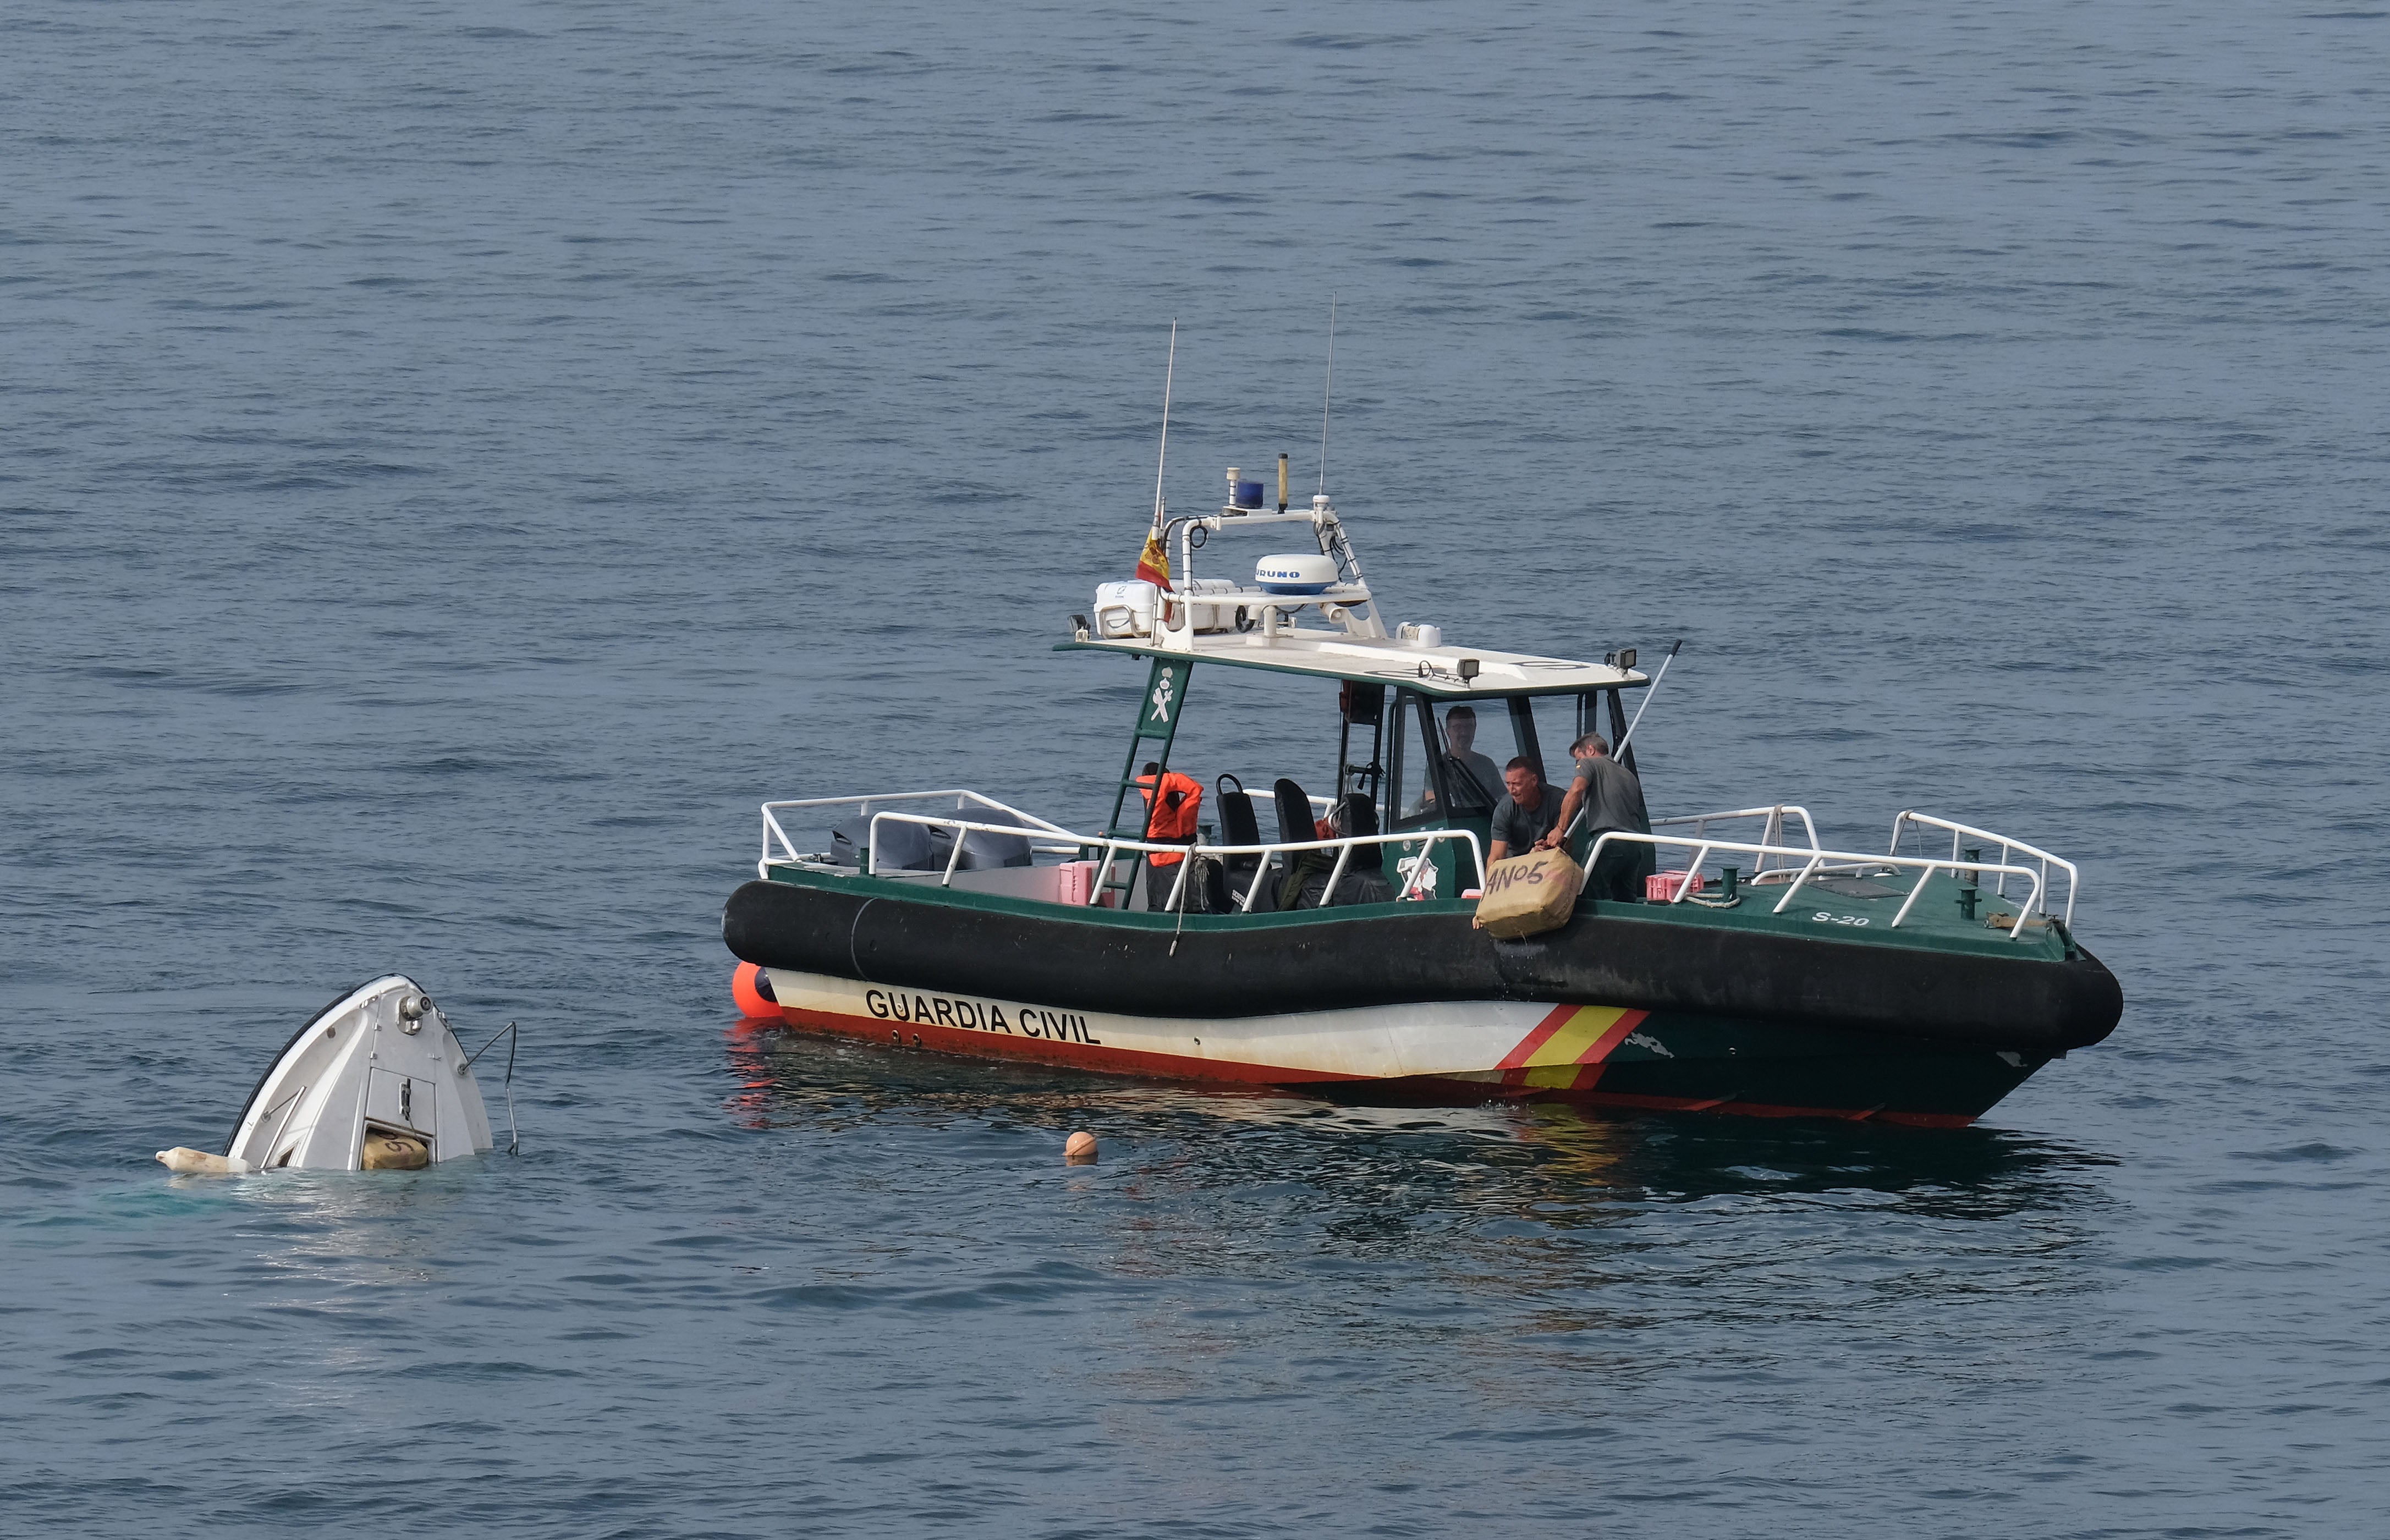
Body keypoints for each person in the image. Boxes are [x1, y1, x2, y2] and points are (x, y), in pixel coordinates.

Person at [1536, 732, 1653, 900]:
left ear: (1590, 750)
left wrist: (1560, 828)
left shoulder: (1589, 765)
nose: (1578, 764)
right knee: (1626, 901)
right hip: (1635, 846)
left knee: (1587, 896)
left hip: (1607, 843)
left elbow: (1576, 791)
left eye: (1578, 758)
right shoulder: (1629, 776)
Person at [1133, 760, 1205, 910]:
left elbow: (1157, 790)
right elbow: (1195, 788)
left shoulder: (1154, 809)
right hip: (1186, 860)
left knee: (1160, 904)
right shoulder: (1185, 803)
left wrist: (1159, 781)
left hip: (1160, 863)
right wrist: (1170, 778)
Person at [1420, 705, 1504, 813]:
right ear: (1448, 732)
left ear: (1475, 729)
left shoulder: (1487, 764)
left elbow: (1503, 799)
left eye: (1469, 727)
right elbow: (1432, 801)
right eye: (1458, 727)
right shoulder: (1438, 766)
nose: (1464, 733)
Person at [1487, 757, 1559, 863]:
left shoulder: (1558, 800)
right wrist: (1530, 857)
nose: (1512, 791)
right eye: (1508, 784)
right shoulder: (1504, 809)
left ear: (1534, 781)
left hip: (1551, 862)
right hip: (1514, 866)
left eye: (1517, 784)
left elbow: (1567, 846)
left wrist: (1548, 847)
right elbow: (1496, 858)